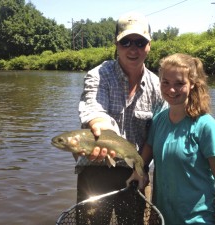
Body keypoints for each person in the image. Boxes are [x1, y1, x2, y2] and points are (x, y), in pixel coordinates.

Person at [76, 11, 167, 223]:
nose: (133, 49)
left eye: (139, 42)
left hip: (135, 171)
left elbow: (155, 135)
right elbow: (94, 107)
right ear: (116, 45)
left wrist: (140, 168)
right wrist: (100, 126)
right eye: (126, 42)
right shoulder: (98, 74)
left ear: (149, 45)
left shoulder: (158, 86)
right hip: (95, 168)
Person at [128, 53, 215, 225]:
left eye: (180, 84)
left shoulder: (206, 126)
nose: (171, 89)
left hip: (198, 220)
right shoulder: (159, 120)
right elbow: (147, 152)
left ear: (192, 85)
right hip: (162, 217)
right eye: (165, 82)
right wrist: (139, 171)